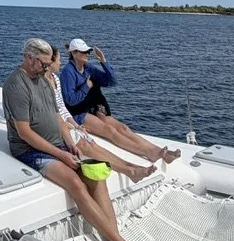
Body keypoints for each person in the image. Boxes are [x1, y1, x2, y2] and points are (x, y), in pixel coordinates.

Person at [2, 38, 161, 241]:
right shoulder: (16, 86)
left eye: (48, 65)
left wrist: (70, 145)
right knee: (76, 183)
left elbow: (57, 117)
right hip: (30, 150)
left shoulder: (43, 80)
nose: (47, 69)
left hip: (58, 145)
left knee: (97, 178)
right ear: (29, 58)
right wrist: (60, 154)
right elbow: (24, 133)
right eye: (43, 64)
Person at [42, 45, 157, 181]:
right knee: (86, 145)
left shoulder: (55, 79)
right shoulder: (50, 80)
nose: (60, 63)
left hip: (69, 121)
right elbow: (56, 110)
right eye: (58, 60)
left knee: (94, 144)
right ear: (50, 61)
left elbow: (62, 107)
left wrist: (103, 61)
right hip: (60, 124)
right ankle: (129, 171)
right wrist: (72, 125)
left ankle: (132, 166)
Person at [60, 38, 181, 164]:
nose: (87, 54)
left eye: (87, 52)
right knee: (110, 130)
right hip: (78, 113)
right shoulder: (68, 72)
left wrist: (103, 61)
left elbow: (111, 81)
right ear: (73, 53)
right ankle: (150, 153)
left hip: (91, 108)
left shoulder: (88, 68)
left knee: (123, 128)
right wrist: (86, 87)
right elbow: (70, 101)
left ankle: (161, 152)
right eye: (83, 52)